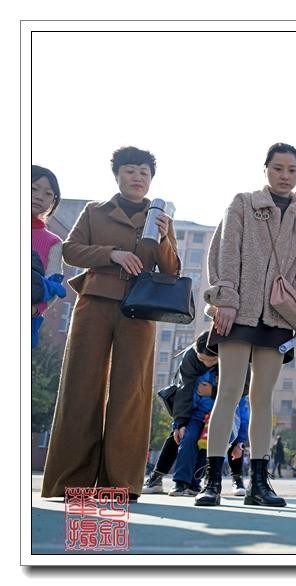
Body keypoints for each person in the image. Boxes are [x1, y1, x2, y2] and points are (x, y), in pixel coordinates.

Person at [41, 146, 179, 501]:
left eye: (144, 173)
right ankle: (71, 481)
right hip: (95, 303)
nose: (138, 178)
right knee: (80, 385)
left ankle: (121, 483)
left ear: (151, 181)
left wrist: (163, 238)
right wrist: (111, 254)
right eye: (131, 171)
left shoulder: (161, 217)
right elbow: (71, 251)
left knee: (130, 393)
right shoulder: (94, 211)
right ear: (117, 175)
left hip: (140, 310)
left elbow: (172, 270)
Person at [196, 142, 296, 508]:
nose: (285, 176)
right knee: (229, 392)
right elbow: (223, 251)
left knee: (263, 398)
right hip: (239, 311)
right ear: (265, 169)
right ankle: (212, 480)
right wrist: (226, 300)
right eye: (278, 168)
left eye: (292, 170)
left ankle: (259, 484)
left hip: (279, 317)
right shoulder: (243, 204)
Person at [143, 332, 250, 496]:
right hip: (195, 414)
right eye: (202, 360)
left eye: (212, 361)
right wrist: (179, 423)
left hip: (221, 414)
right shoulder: (191, 358)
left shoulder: (234, 363)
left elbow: (241, 398)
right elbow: (183, 391)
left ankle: (200, 483)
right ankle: (177, 482)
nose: (206, 364)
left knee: (209, 447)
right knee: (184, 437)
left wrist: (212, 392)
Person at [31, 165, 66, 347]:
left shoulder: (54, 242)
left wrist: (35, 309)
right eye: (33, 189)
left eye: (47, 194)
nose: (39, 196)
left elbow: (53, 286)